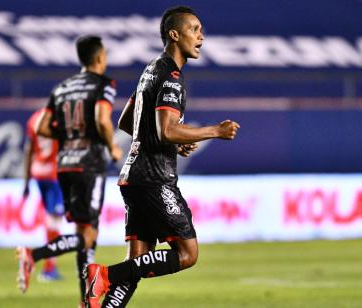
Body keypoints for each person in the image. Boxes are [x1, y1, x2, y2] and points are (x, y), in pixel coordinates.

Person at [83, 6, 240, 308]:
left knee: (137, 265)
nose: (201, 37)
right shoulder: (171, 75)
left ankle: (102, 292)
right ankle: (102, 275)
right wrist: (214, 132)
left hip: (133, 177)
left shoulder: (152, 69)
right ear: (174, 34)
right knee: (187, 254)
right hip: (155, 180)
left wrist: (174, 143)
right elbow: (167, 130)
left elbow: (128, 121)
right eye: (195, 29)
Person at [16, 35, 123, 305]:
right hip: (90, 164)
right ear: (100, 58)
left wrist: (67, 133)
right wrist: (112, 147)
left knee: (82, 235)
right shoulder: (103, 84)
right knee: (89, 235)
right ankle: (35, 255)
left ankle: (85, 300)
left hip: (64, 165)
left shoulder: (61, 88)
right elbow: (102, 119)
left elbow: (41, 126)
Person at [22, 108, 65, 282]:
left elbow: (28, 151)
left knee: (51, 218)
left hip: (38, 173)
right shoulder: (60, 120)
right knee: (54, 221)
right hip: (55, 175)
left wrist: (26, 182)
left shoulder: (34, 119)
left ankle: (47, 264)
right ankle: (48, 267)